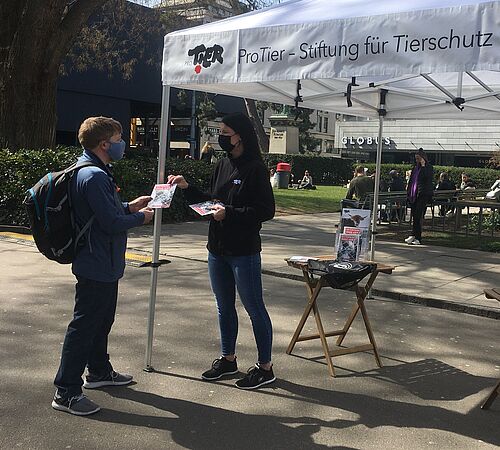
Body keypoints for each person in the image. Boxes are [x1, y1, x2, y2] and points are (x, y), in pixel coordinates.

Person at [52, 117, 154, 416]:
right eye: (120, 137)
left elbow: (102, 214)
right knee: (84, 327)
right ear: (105, 144)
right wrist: (142, 218)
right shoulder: (94, 176)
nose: (124, 142)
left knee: (100, 321)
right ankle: (66, 391)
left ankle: (98, 372)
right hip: (96, 261)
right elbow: (110, 224)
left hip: (102, 261)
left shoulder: (92, 171)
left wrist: (130, 206)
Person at [168, 112, 276, 390]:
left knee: (254, 308)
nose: (221, 137)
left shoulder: (255, 168)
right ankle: (228, 359)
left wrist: (229, 214)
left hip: (243, 251)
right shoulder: (222, 164)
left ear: (240, 135)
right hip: (217, 249)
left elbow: (265, 211)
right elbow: (212, 200)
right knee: (223, 306)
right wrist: (187, 188)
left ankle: (265, 367)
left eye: (225, 133)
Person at [405, 148, 434, 245]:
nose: (416, 160)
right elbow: (412, 181)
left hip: (422, 194)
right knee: (414, 215)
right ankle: (414, 234)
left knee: (418, 216)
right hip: (414, 194)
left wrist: (423, 165)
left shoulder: (428, 167)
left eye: (418, 158)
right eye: (416, 159)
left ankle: (418, 237)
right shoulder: (415, 168)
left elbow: (427, 177)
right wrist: (409, 192)